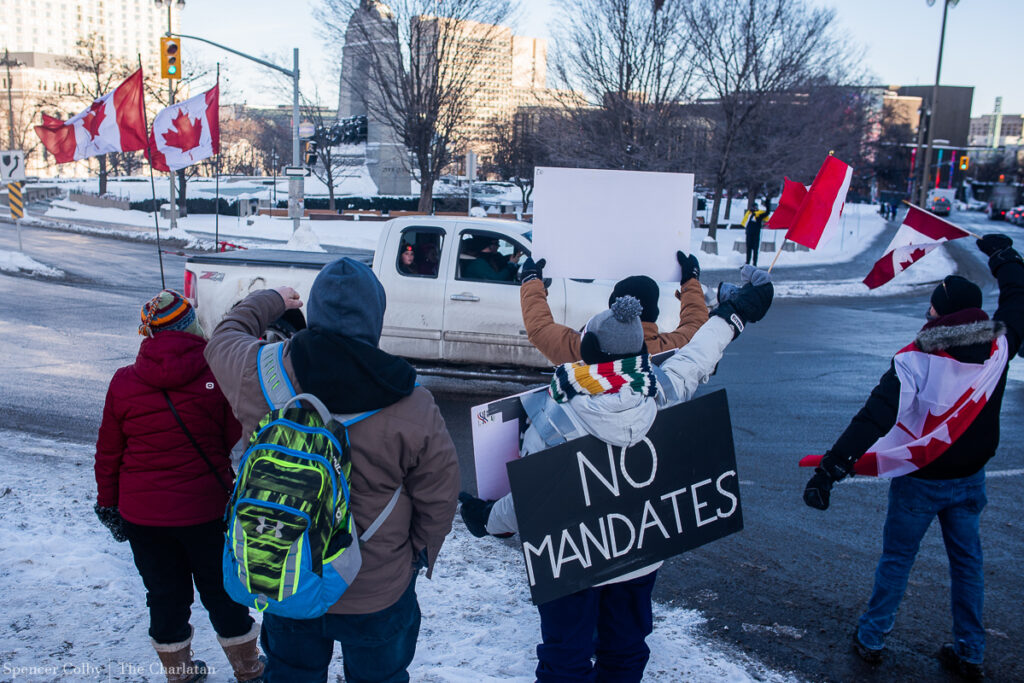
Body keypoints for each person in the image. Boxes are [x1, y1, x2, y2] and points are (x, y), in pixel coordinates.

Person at [460, 266, 775, 682]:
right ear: (638, 355)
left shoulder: (555, 419)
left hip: (569, 561)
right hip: (639, 552)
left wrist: (486, 520)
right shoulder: (663, 389)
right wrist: (735, 314)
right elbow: (698, 357)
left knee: (565, 656)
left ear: (586, 353)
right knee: (625, 648)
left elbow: (531, 504)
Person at [204, 257, 460, 683]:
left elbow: (223, 337)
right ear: (376, 316)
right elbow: (440, 495)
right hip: (376, 584)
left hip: (287, 573)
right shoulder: (412, 403)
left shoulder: (259, 373)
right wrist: (414, 555)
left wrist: (271, 300)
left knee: (290, 674)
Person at [802, 235, 1024, 680]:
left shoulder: (916, 360)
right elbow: (1018, 296)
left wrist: (831, 468)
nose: (928, 313)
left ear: (942, 314)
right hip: (971, 479)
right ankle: (971, 650)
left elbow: (873, 418)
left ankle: (872, 638)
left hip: (921, 479)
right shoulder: (999, 348)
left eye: (933, 307)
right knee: (968, 566)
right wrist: (1005, 258)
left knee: (897, 560)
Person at [93, 290, 264, 683]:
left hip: (142, 516)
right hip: (205, 510)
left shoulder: (123, 382)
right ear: (191, 325)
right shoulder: (214, 376)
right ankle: (249, 668)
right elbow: (228, 438)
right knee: (223, 592)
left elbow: (108, 453)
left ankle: (181, 673)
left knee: (165, 597)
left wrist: (108, 504)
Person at [518, 251, 708, 365]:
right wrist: (690, 281)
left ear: (612, 307)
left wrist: (531, 281)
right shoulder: (668, 351)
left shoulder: (583, 350)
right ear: (654, 312)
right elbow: (697, 326)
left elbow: (540, 328)